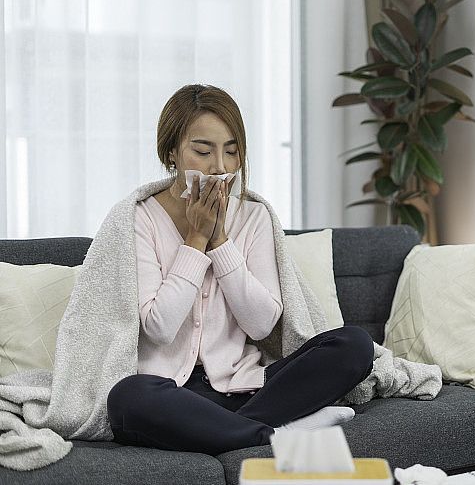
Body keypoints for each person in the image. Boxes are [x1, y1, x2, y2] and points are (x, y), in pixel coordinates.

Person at [106, 84, 375, 455]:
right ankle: (277, 433)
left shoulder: (254, 216)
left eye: (231, 152)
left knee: (354, 344)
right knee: (126, 397)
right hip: (172, 396)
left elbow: (262, 324)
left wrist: (220, 244)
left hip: (244, 388)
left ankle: (233, 429)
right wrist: (196, 240)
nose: (219, 167)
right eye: (203, 151)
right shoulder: (141, 219)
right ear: (170, 152)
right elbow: (159, 326)